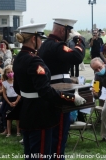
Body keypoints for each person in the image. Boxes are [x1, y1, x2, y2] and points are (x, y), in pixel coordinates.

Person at [13, 23, 86, 159]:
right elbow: (45, 91)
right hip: (40, 114)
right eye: (40, 38)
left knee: (30, 154)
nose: (42, 42)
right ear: (34, 39)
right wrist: (71, 98)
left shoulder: (18, 59)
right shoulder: (35, 62)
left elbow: (17, 88)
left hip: (26, 111)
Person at [37, 18, 85, 159]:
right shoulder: (57, 46)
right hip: (59, 91)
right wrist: (79, 39)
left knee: (52, 132)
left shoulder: (45, 45)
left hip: (50, 91)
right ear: (63, 30)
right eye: (69, 31)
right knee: (59, 134)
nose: (69, 34)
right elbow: (77, 56)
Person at [1, 65, 21, 137]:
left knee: (17, 117)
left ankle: (18, 132)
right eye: (8, 72)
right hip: (9, 100)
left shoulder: (17, 81)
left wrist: (16, 101)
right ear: (5, 74)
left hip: (16, 99)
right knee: (8, 117)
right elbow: (4, 94)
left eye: (11, 72)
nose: (10, 73)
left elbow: (20, 92)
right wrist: (9, 102)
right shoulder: (4, 83)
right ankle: (8, 132)